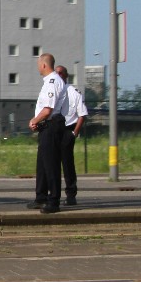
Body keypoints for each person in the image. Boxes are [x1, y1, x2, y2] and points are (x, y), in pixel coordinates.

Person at [28, 53, 70, 214]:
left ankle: (54, 200)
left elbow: (48, 110)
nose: (38, 67)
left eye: (39, 64)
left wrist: (34, 120)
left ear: (44, 65)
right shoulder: (49, 81)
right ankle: (41, 197)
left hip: (51, 126)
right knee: (43, 164)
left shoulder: (52, 82)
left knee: (51, 165)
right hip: (46, 126)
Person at [55, 65, 88, 206]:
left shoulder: (74, 92)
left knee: (68, 163)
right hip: (53, 130)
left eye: (61, 73)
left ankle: (71, 194)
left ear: (66, 76)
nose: (58, 75)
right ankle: (53, 194)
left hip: (68, 129)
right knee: (52, 164)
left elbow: (82, 114)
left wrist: (74, 133)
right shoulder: (51, 90)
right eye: (56, 73)